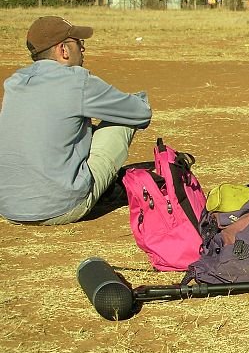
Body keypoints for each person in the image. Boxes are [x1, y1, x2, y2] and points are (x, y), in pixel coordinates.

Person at [0, 16, 152, 224]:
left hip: (10, 208)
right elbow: (140, 113)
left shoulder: (14, 82)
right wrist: (138, 99)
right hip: (61, 207)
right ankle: (105, 189)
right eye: (79, 43)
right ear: (63, 50)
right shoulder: (77, 80)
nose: (83, 49)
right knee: (121, 120)